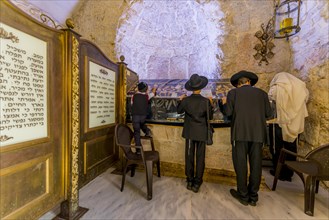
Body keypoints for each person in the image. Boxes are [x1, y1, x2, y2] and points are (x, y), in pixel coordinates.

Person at [220, 70, 272, 206]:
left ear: (238, 84)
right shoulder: (262, 94)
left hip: (240, 134)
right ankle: (253, 196)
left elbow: (228, 113)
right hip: (258, 135)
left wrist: (223, 103)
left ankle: (243, 195)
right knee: (256, 165)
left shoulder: (233, 93)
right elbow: (269, 114)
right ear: (249, 82)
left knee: (241, 165)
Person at [268, 72, 309, 181]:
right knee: (291, 148)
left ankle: (278, 172)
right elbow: (304, 102)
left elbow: (271, 105)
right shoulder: (302, 88)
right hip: (296, 123)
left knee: (278, 148)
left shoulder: (276, 89)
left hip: (279, 122)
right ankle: (289, 172)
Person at [177, 74, 213, 193]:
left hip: (190, 132)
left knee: (189, 156)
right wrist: (211, 104)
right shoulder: (206, 101)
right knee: (200, 157)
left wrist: (180, 100)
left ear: (191, 88)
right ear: (201, 88)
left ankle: (190, 180)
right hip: (201, 132)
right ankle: (197, 182)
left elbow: (179, 111)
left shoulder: (186, 101)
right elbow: (210, 117)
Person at [131, 82, 157, 152]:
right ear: (146, 89)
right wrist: (154, 88)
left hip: (135, 116)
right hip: (143, 116)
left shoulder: (133, 96)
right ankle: (147, 131)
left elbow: (132, 104)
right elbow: (153, 93)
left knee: (136, 132)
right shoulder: (147, 96)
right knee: (142, 124)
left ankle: (138, 150)